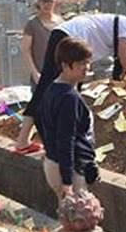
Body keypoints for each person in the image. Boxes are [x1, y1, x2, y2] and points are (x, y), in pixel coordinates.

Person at [16, 8, 126, 151]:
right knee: (46, 89)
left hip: (68, 39)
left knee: (60, 91)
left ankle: (42, 139)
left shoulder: (119, 25)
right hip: (69, 40)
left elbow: (122, 61)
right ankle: (30, 140)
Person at [36, 37, 100, 197]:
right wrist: (67, 181)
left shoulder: (52, 89)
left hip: (54, 162)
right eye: (80, 64)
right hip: (71, 170)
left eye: (87, 62)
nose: (86, 68)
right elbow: (66, 139)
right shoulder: (68, 97)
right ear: (65, 65)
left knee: (68, 217)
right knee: (81, 218)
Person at [15, 0, 64, 153]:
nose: (47, 5)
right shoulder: (33, 23)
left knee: (56, 108)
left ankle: (50, 141)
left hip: (59, 72)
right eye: (43, 1)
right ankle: (26, 141)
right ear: (38, 2)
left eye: (50, 1)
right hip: (41, 72)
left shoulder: (60, 21)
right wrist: (34, 72)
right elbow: (25, 49)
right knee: (39, 107)